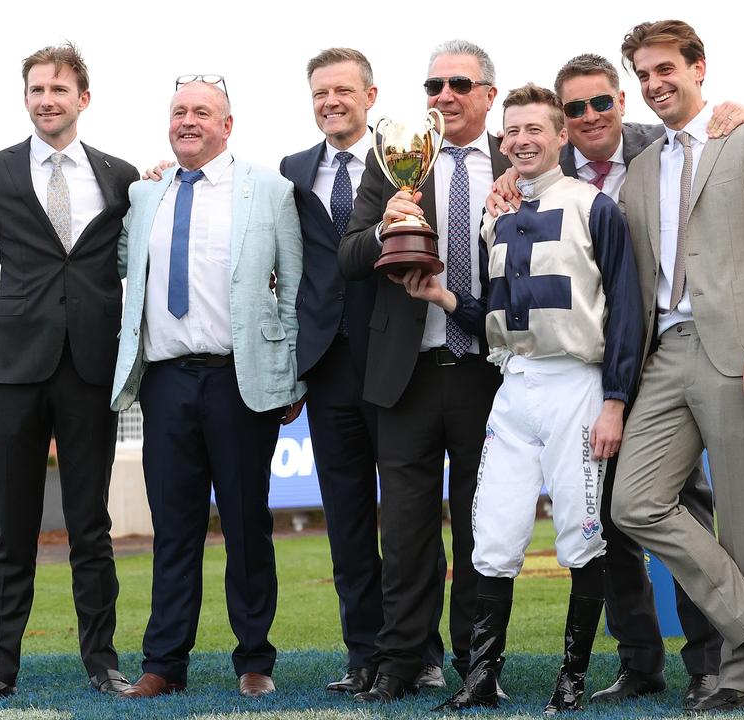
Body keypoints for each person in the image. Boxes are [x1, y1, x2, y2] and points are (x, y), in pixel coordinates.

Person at [484, 53, 744, 711]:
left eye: (599, 103)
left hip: (668, 362)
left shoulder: (664, 149)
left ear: (621, 102)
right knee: (602, 523)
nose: (587, 118)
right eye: (573, 108)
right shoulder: (531, 177)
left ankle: (710, 662)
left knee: (681, 511)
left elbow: (737, 149)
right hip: (586, 371)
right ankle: (639, 662)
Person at [609, 19, 744, 712]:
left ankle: (742, 681)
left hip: (739, 348)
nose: (655, 83)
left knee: (743, 516)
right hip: (664, 355)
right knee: (633, 501)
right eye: (644, 75)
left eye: (667, 69)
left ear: (698, 68)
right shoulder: (638, 169)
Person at [435, 83, 642, 713]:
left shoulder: (594, 206)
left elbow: (627, 311)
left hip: (577, 386)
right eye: (513, 131)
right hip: (514, 385)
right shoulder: (493, 216)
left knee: (582, 535)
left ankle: (572, 678)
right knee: (492, 535)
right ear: (502, 140)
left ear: (560, 137)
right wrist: (444, 299)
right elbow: (498, 317)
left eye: (535, 130)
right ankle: (480, 680)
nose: (522, 141)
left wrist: (615, 399)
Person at [0, 42, 138, 705]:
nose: (47, 100)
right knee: (14, 527)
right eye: (36, 91)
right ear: (25, 99)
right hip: (15, 367)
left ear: (83, 98)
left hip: (90, 366)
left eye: (59, 89)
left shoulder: (122, 177)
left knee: (91, 528)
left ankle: (103, 664)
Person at [110, 77, 303, 700]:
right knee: (174, 528)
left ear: (227, 123)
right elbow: (124, 268)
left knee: (247, 524)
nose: (187, 120)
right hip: (165, 381)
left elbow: (293, 289)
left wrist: (291, 374)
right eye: (178, 111)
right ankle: (164, 662)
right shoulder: (145, 195)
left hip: (238, 380)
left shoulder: (269, 191)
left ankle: (254, 659)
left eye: (201, 111)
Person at [338, 39, 507, 703]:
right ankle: (403, 660)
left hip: (487, 372)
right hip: (404, 375)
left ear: (489, 94)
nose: (444, 96)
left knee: (480, 532)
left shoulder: (516, 159)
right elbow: (348, 256)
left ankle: (478, 664)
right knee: (405, 536)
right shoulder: (395, 162)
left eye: (459, 84)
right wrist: (384, 228)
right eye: (433, 85)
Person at [279, 47, 446, 696]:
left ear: (370, 97)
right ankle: (363, 654)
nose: (330, 102)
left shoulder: (411, 157)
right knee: (347, 520)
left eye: (343, 91)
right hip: (326, 370)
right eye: (320, 93)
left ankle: (421, 652)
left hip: (398, 361)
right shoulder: (290, 173)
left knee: (408, 523)